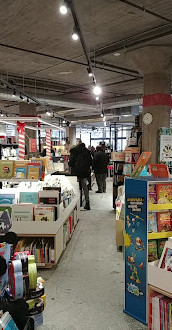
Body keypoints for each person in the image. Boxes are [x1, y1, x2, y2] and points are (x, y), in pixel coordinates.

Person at [69, 143, 92, 210]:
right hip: (85, 173)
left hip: (76, 172)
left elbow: (70, 163)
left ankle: (77, 203)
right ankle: (87, 203)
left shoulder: (74, 151)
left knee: (76, 187)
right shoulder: (87, 151)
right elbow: (91, 162)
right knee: (85, 187)